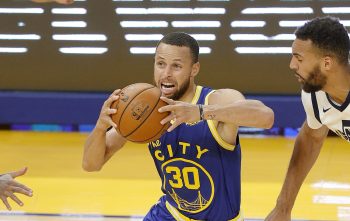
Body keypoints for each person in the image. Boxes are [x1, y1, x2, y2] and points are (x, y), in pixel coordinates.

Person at [83, 32, 274, 220]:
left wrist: (200, 112)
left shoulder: (215, 99)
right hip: (171, 214)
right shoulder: (146, 109)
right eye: (160, 64)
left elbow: (266, 117)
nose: (166, 74)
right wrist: (101, 126)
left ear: (194, 69)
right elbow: (91, 164)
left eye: (176, 66)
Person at [265, 16, 350, 221]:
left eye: (299, 58)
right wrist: (283, 207)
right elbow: (311, 137)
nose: (292, 65)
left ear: (326, 63)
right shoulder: (314, 95)